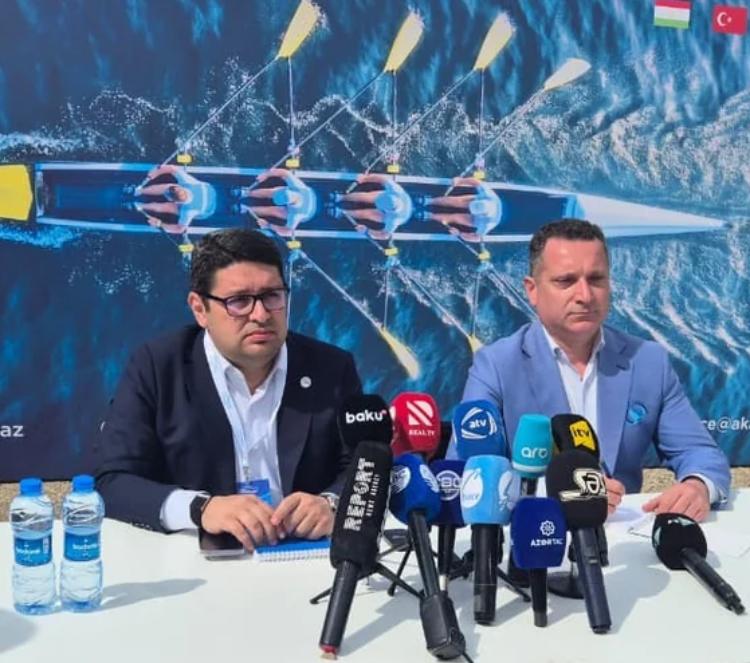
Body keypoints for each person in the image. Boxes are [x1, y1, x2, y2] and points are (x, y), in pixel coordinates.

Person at [95, 228, 362, 549]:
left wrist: (332, 503)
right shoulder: (157, 366)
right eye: (239, 301)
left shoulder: (332, 368)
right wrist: (201, 508)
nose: (261, 315)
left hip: (303, 553)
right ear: (199, 309)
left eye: (272, 296)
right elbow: (113, 482)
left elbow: (364, 467)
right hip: (197, 558)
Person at [460, 218, 730, 522]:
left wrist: (697, 486)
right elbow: (468, 476)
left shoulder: (649, 362)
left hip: (623, 537)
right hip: (532, 535)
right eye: (566, 281)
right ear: (532, 290)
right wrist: (556, 492)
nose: (585, 296)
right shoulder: (495, 366)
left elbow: (701, 453)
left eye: (596, 279)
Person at [131, 164, 217, 234]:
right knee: (168, 187)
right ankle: (139, 191)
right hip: (209, 189)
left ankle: (141, 206)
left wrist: (160, 224)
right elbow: (172, 168)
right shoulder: (188, 182)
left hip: (207, 212)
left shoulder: (187, 211)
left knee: (170, 207)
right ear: (181, 188)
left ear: (176, 202)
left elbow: (180, 229)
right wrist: (155, 173)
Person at [237, 168, 317, 237]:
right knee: (273, 192)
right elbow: (284, 172)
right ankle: (246, 193)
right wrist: (266, 175)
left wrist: (269, 225)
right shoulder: (298, 186)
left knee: (275, 211)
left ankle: (247, 209)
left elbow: (288, 231)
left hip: (308, 213)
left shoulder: (296, 215)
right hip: (309, 194)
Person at [424, 177, 502, 242]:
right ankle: (429, 201)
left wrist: (459, 234)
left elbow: (476, 238)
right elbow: (476, 182)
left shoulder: (486, 224)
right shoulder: (488, 195)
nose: (470, 210)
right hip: (478, 200)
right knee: (455, 201)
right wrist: (460, 181)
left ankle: (430, 216)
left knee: (455, 218)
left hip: (477, 219)